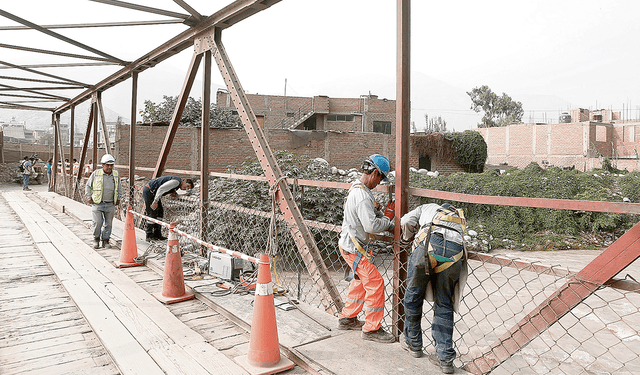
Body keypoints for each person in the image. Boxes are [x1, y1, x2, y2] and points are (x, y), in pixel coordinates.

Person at [399, 203, 468, 374]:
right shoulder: (457, 216)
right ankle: (444, 358)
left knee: (413, 293)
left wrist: (407, 238)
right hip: (454, 252)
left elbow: (406, 220)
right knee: (444, 302)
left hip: (429, 243)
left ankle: (413, 343)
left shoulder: (426, 207)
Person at [336, 154, 395, 342]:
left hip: (349, 246)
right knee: (376, 283)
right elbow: (371, 226)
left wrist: (383, 217)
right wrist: (388, 220)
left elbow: (370, 215)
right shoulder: (361, 195)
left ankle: (347, 318)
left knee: (361, 281)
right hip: (355, 250)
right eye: (380, 178)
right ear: (375, 173)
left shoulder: (358, 188)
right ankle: (371, 329)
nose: (379, 183)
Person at [85, 154, 122, 249]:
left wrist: (118, 198)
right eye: (107, 165)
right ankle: (96, 239)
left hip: (110, 203)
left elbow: (119, 188)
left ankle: (106, 240)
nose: (110, 167)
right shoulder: (96, 174)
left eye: (111, 165)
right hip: (98, 203)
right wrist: (89, 197)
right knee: (97, 222)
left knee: (108, 223)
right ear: (103, 165)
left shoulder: (116, 174)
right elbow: (88, 185)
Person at [143, 176, 194, 241]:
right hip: (149, 192)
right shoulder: (176, 182)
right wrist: (155, 201)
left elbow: (167, 186)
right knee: (152, 212)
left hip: (152, 192)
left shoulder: (176, 184)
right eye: (187, 186)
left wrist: (173, 191)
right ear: (185, 181)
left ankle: (157, 235)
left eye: (188, 188)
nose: (186, 188)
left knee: (160, 213)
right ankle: (149, 236)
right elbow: (161, 188)